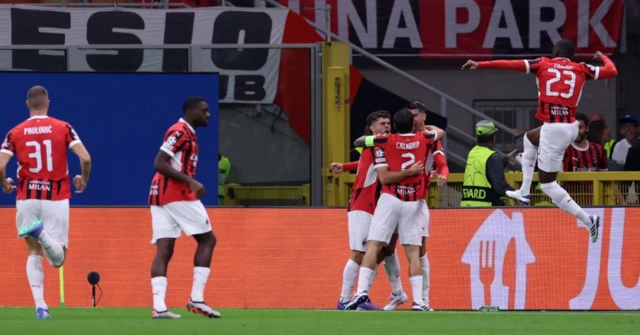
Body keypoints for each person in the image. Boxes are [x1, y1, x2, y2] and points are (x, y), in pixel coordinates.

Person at [462, 40, 618, 243]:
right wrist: (603, 57)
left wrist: (480, 64)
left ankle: (588, 220)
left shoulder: (543, 63)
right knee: (529, 137)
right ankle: (524, 192)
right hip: (569, 126)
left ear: (555, 51)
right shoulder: (582, 68)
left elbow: (512, 65)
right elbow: (612, 71)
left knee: (548, 185)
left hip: (555, 131)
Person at [0, 85, 92, 319]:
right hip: (56, 197)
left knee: (33, 252)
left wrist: (4, 184)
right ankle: (40, 233)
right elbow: (86, 158)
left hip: (27, 197)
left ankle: (41, 306)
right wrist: (84, 179)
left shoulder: (15, 132)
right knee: (58, 260)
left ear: (27, 104)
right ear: (47, 103)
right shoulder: (63, 127)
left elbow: (0, 165)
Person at [345, 109, 445, 311]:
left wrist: (377, 137)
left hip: (390, 199)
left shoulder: (385, 141)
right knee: (413, 252)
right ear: (413, 124)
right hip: (412, 201)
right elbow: (440, 132)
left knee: (374, 245)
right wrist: (424, 126)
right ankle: (419, 302)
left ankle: (361, 293)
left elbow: (359, 141)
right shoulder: (423, 138)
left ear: (395, 126)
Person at [329, 110, 419, 310]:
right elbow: (366, 157)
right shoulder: (374, 145)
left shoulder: (382, 146)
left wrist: (344, 166)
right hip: (363, 204)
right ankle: (345, 299)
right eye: (382, 123)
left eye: (388, 123)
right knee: (359, 253)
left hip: (379, 205)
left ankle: (395, 292)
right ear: (372, 128)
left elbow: (363, 163)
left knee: (385, 249)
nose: (387, 126)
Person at [148, 96, 220, 319]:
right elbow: (159, 163)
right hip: (176, 193)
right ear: (190, 111)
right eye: (204, 111)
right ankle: (196, 299)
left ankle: (159, 307)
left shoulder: (188, 132)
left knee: (165, 249)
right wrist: (191, 181)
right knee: (208, 240)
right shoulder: (180, 131)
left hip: (159, 194)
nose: (208, 114)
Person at [461, 120, 514, 206]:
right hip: (486, 210)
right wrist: (518, 194)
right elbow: (500, 187)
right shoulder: (493, 157)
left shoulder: (472, 152)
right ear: (493, 137)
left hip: (467, 207)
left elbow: (486, 162)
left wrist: (505, 158)